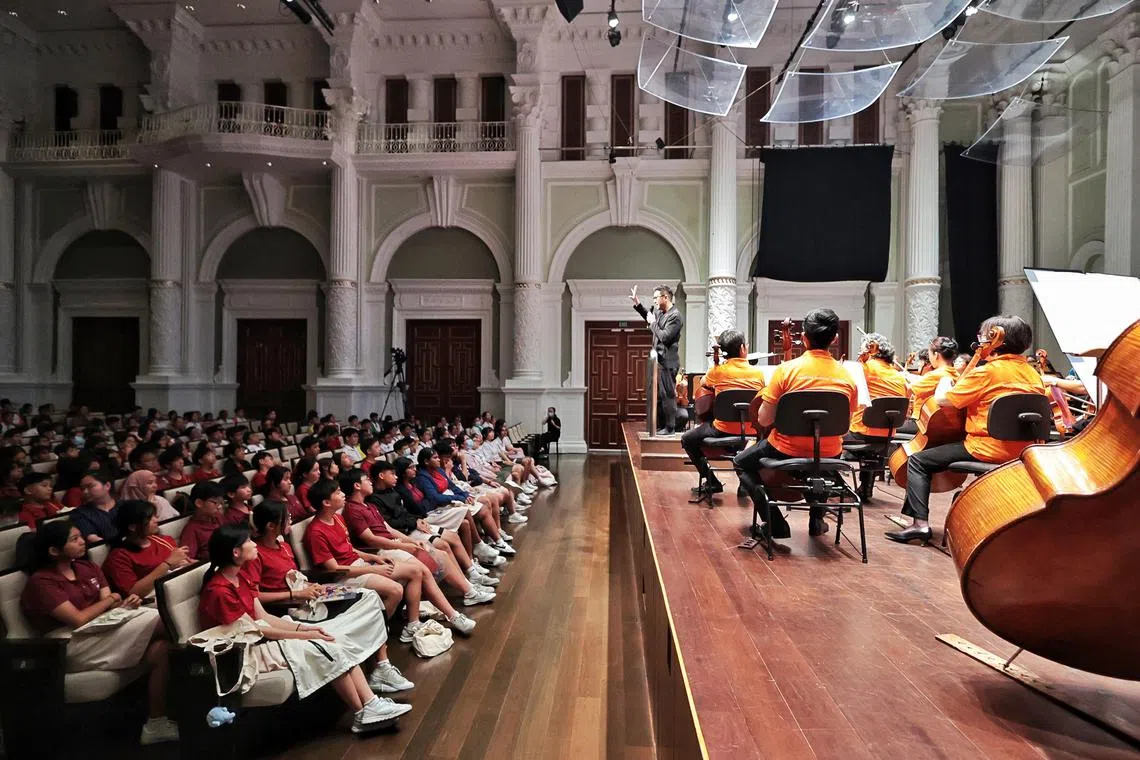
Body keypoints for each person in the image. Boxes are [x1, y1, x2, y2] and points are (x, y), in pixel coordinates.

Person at [198, 525, 412, 732]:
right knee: (325, 645)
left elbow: (263, 617)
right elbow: (253, 630)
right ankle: (362, 712)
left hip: (260, 637)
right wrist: (302, 635)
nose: (254, 544)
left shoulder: (241, 576)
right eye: (248, 541)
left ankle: (370, 704)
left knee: (332, 637)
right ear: (236, 552)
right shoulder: (219, 591)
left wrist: (301, 629)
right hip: (243, 652)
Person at [886, 315, 1047, 544]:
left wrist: (945, 380)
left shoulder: (987, 372)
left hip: (987, 448)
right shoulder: (1034, 374)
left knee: (917, 461)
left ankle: (919, 524)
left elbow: (944, 400)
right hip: (1025, 452)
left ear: (995, 339)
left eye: (984, 337)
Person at [21, 521, 179, 745]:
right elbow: (78, 619)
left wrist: (122, 603)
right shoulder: (41, 582)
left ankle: (156, 724)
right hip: (70, 643)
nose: (82, 542)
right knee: (166, 621)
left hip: (103, 626)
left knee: (161, 649)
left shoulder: (87, 567)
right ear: (54, 550)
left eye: (80, 536)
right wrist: (110, 600)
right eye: (74, 539)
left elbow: (110, 603)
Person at [247, 501, 412, 694]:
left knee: (370, 598)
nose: (291, 518)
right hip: (292, 606)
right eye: (287, 516)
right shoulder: (256, 555)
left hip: (311, 594)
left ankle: (381, 665)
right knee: (362, 605)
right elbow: (256, 596)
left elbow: (295, 576)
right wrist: (296, 594)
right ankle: (379, 666)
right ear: (271, 525)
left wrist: (309, 586)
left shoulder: (283, 546)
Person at [734, 308, 858, 540]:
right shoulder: (848, 377)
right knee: (821, 459)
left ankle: (775, 523)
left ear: (803, 337)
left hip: (785, 449)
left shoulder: (786, 371)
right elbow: (846, 424)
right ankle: (817, 520)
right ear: (835, 339)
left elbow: (763, 419)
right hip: (830, 452)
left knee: (742, 463)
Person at [302, 479, 477, 641]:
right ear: (326, 502)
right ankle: (377, 635)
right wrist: (373, 568)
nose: (342, 495)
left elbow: (349, 549)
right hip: (347, 574)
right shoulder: (316, 531)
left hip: (363, 562)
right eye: (338, 493)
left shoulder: (338, 518)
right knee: (396, 588)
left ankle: (415, 624)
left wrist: (373, 558)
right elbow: (334, 568)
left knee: (418, 571)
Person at [339, 469, 495, 607]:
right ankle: (467, 593)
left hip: (396, 541)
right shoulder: (353, 510)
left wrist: (411, 541)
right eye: (366, 479)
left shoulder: (369, 505)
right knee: (435, 557)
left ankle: (469, 589)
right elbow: (371, 539)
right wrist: (403, 546)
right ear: (357, 485)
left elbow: (389, 529)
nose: (370, 482)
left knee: (441, 552)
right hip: (382, 549)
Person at [680, 329, 767, 496]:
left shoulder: (717, 372)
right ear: (743, 349)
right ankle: (745, 481)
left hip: (722, 429)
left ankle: (712, 481)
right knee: (744, 441)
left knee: (688, 439)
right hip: (750, 429)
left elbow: (704, 383)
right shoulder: (758, 374)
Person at [102, 500, 193, 596]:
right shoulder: (119, 556)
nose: (156, 520)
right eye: (149, 518)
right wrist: (167, 564)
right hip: (154, 597)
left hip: (180, 585)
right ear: (132, 527)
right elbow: (133, 592)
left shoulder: (164, 540)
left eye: (155, 516)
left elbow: (187, 562)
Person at [630, 283, 683, 434]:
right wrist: (638, 304)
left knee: (668, 394)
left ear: (665, 297)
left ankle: (670, 427)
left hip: (669, 361)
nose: (653, 301)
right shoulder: (660, 312)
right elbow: (649, 318)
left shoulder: (675, 316)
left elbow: (664, 337)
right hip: (658, 362)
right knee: (659, 396)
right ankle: (661, 425)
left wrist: (653, 322)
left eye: (655, 298)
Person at [899, 336, 960, 435]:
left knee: (888, 426)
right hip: (945, 423)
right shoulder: (956, 374)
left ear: (936, 355)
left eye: (930, 353)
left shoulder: (935, 374)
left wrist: (902, 377)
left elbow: (910, 389)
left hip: (922, 421)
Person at [70, 470, 120, 543]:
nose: (85, 492)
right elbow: (92, 538)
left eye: (90, 486)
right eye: (82, 489)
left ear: (107, 486)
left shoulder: (126, 505)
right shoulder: (80, 513)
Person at [179, 481, 224, 561]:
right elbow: (186, 560)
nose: (219, 506)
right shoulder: (191, 529)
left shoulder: (218, 518)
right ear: (199, 503)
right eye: (215, 502)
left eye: (221, 503)